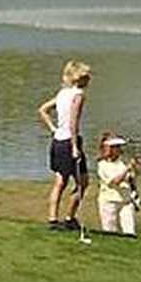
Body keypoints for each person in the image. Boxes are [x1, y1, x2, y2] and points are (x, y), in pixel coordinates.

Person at [37, 60, 91, 230]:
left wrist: (53, 129)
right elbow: (73, 122)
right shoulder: (78, 95)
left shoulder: (62, 93)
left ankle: (53, 219)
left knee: (60, 182)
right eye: (85, 77)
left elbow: (43, 110)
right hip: (69, 141)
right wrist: (75, 146)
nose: (88, 80)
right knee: (83, 182)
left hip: (58, 141)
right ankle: (70, 218)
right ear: (79, 79)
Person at [95, 132, 140, 237]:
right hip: (109, 201)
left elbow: (130, 179)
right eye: (116, 147)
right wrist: (127, 169)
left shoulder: (122, 162)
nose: (120, 149)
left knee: (130, 232)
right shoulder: (102, 165)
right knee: (110, 232)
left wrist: (134, 171)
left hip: (126, 201)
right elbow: (115, 181)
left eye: (119, 147)